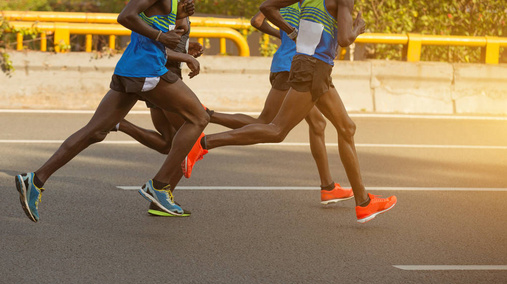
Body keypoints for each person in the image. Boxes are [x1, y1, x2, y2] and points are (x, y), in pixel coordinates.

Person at [185, 0, 397, 223]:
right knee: (276, 130)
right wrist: (357, 28)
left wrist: (292, 32)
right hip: (314, 69)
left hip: (308, 66)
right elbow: (344, 40)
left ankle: (362, 203)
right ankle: (202, 144)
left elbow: (266, 8)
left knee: (346, 127)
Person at [14, 0, 209, 222]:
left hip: (133, 67)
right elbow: (126, 16)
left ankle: (36, 180)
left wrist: (180, 18)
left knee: (95, 131)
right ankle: (159, 185)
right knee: (199, 118)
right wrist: (161, 37)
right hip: (147, 69)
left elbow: (166, 29)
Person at [207, 6, 353, 205]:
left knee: (317, 124)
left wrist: (284, 33)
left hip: (287, 64)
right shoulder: (315, 3)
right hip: (294, 68)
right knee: (269, 125)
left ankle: (328, 187)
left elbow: (257, 20)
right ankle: (205, 122)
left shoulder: (286, 2)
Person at [112, 15, 209, 217]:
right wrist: (185, 57)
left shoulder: (178, 8)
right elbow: (157, 44)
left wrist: (188, 48)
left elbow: (167, 40)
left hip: (163, 73)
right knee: (192, 140)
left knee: (168, 143)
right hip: (164, 77)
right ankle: (161, 192)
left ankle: (119, 123)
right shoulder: (170, 6)